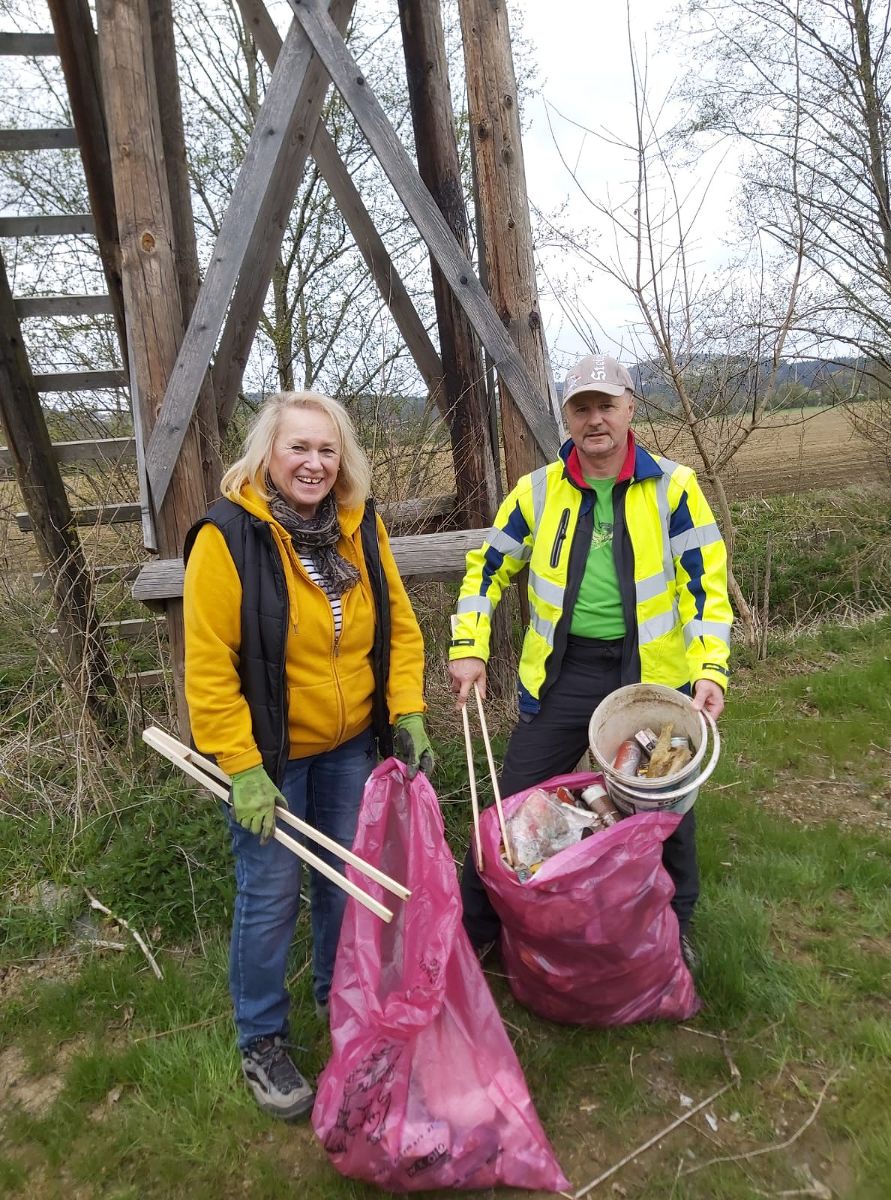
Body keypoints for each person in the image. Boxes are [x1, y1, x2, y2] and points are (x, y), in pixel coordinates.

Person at [183, 391, 433, 1121]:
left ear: (342, 456)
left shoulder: (359, 526)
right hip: (272, 759)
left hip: (350, 744)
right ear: (268, 454)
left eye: (327, 449)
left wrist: (407, 708)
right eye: (298, 448)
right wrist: (242, 765)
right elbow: (207, 666)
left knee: (345, 884)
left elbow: (402, 627)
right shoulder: (227, 538)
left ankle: (340, 999)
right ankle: (261, 1039)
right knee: (267, 896)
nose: (313, 464)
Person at [448, 353, 732, 970]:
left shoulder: (675, 488)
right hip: (564, 673)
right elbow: (487, 571)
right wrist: (468, 647)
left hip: (651, 678)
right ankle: (475, 932)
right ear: (567, 417)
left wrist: (710, 669)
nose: (595, 418)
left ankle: (671, 929)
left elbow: (707, 586)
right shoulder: (538, 492)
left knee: (666, 809)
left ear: (631, 407)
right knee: (513, 800)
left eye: (607, 404)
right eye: (582, 407)